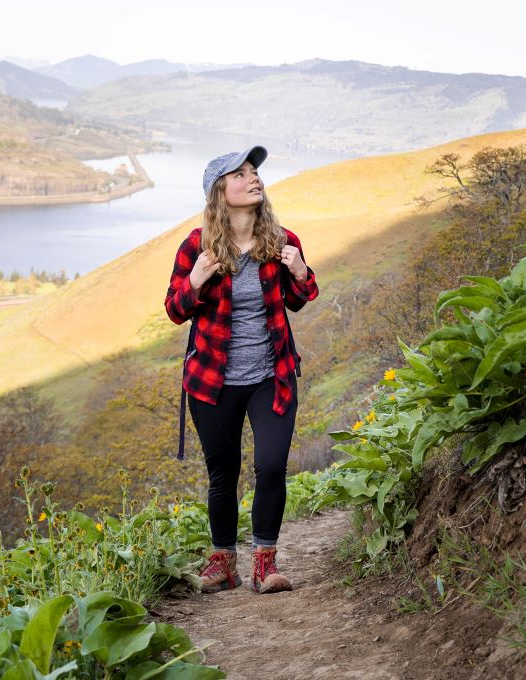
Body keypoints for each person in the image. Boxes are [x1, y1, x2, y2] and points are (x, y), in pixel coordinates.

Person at [164, 145, 318, 594]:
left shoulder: (282, 241)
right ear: (220, 192)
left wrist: (301, 271)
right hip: (213, 380)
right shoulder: (197, 246)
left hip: (272, 374)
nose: (254, 179)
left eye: (255, 172)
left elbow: (299, 298)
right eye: (241, 174)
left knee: (271, 466)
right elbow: (175, 310)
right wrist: (195, 280)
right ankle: (224, 562)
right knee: (222, 473)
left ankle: (265, 564)